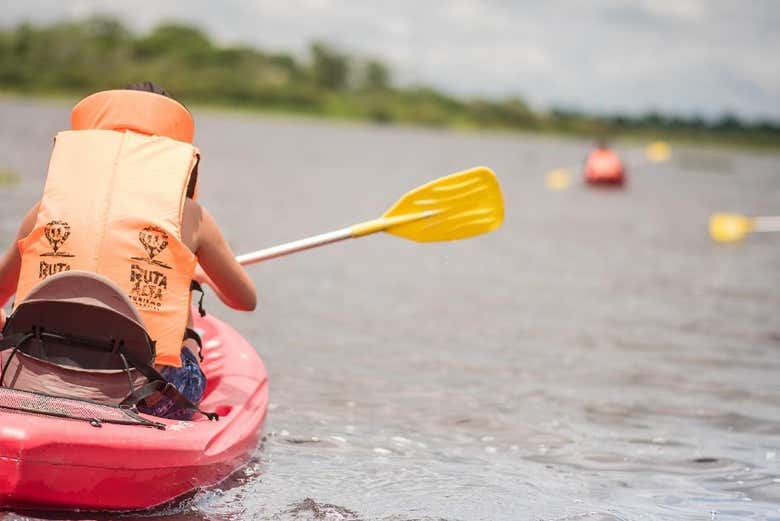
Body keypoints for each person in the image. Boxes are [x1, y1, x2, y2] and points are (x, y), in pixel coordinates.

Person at [0, 82, 256, 419]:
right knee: (185, 321)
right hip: (145, 396)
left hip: (31, 378)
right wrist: (192, 277)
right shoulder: (191, 216)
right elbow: (245, 300)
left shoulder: (46, 208)